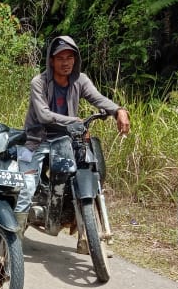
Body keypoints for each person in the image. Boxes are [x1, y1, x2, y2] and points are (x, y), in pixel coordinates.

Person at [14, 35, 130, 239]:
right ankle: (13, 240)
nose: (65, 62)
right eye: (60, 58)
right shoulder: (39, 83)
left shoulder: (80, 80)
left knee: (90, 171)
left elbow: (98, 98)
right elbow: (43, 115)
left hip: (67, 140)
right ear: (51, 60)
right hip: (36, 140)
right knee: (27, 186)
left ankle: (85, 233)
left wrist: (118, 110)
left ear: (75, 59)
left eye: (70, 57)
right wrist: (72, 120)